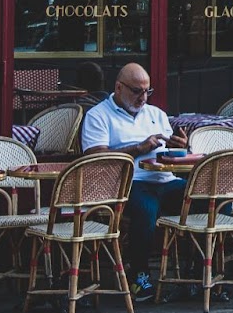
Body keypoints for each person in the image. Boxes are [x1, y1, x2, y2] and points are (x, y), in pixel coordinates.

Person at [80, 61, 188, 298]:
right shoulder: (98, 115)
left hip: (163, 178)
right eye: (136, 91)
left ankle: (194, 275)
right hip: (126, 183)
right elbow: (95, 157)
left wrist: (179, 147)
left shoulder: (156, 114)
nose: (143, 98)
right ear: (119, 88)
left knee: (203, 196)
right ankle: (139, 275)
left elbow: (169, 154)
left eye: (147, 91)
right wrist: (138, 148)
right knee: (146, 209)